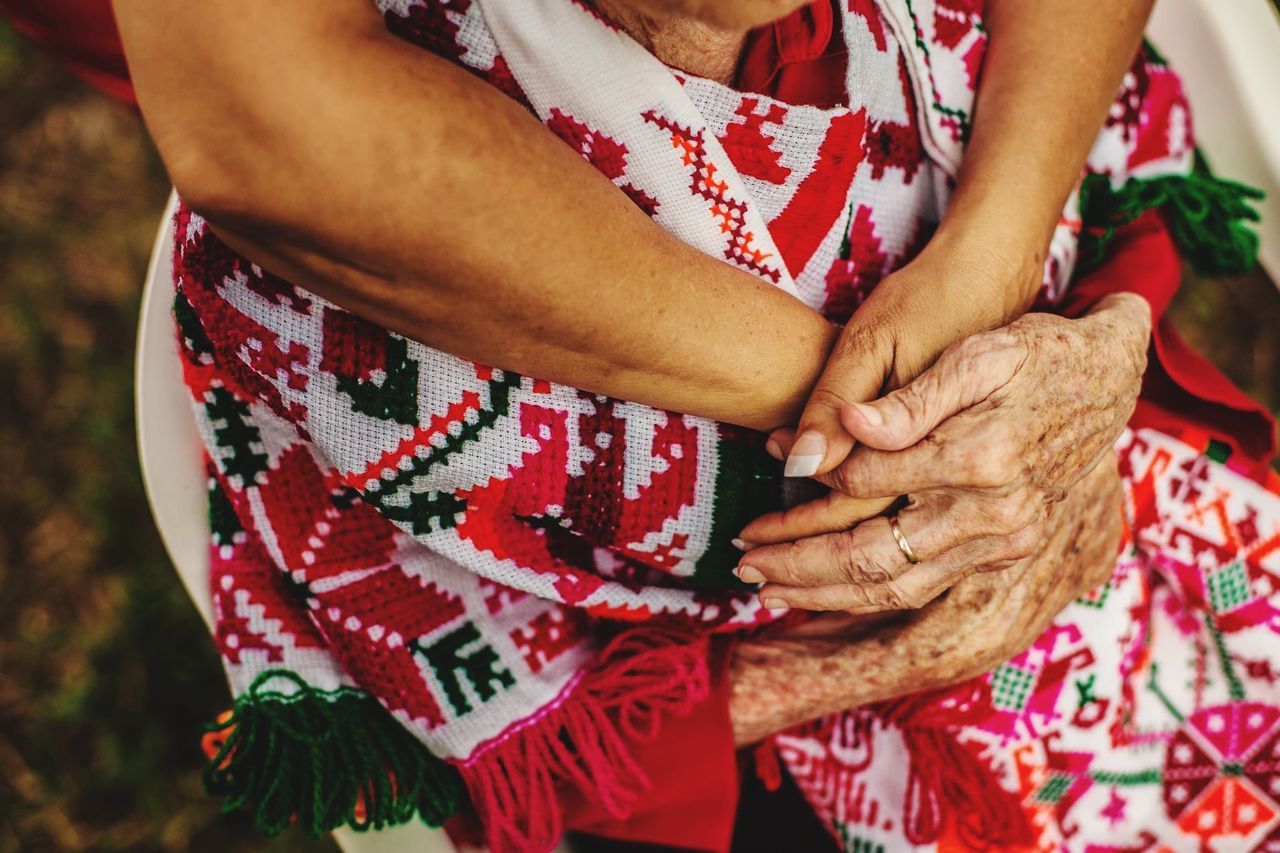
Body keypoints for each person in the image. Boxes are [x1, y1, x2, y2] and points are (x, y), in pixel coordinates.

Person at [113, 0, 1279, 850]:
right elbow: (267, 130)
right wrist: (886, 497)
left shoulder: (933, 53)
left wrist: (1012, 261)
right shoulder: (369, 328)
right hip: (730, 761)